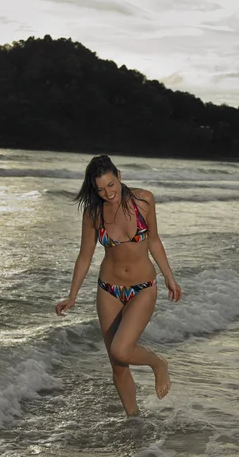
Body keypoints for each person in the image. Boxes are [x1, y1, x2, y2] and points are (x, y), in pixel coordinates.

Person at [55, 154, 182, 416]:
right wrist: (72, 295)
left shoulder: (144, 200)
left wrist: (168, 276)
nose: (108, 193)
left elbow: (155, 241)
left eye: (111, 185)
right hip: (108, 290)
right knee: (117, 364)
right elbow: (85, 255)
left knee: (122, 350)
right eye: (100, 189)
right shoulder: (93, 213)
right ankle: (133, 419)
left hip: (143, 287)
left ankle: (158, 363)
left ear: (119, 175)